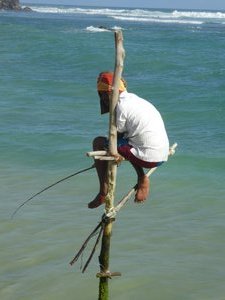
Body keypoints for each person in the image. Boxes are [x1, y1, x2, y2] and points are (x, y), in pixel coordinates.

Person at [88, 72, 169, 209]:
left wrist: (107, 154)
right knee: (121, 143)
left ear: (107, 94)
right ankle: (136, 175)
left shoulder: (121, 106)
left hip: (149, 159)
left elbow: (115, 138)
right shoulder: (135, 99)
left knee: (98, 142)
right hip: (162, 154)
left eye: (103, 95)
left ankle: (104, 191)